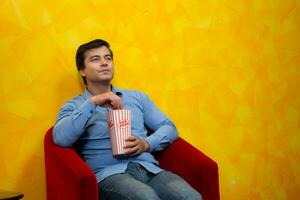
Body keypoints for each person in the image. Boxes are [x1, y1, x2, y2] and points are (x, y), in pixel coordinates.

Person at [53, 39, 202, 200]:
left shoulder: (137, 97)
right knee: (146, 198)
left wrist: (147, 144)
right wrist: (93, 102)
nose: (104, 63)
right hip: (109, 175)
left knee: (191, 197)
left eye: (108, 58)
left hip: (149, 169)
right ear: (82, 70)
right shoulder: (76, 105)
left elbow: (169, 127)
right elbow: (60, 138)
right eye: (95, 59)